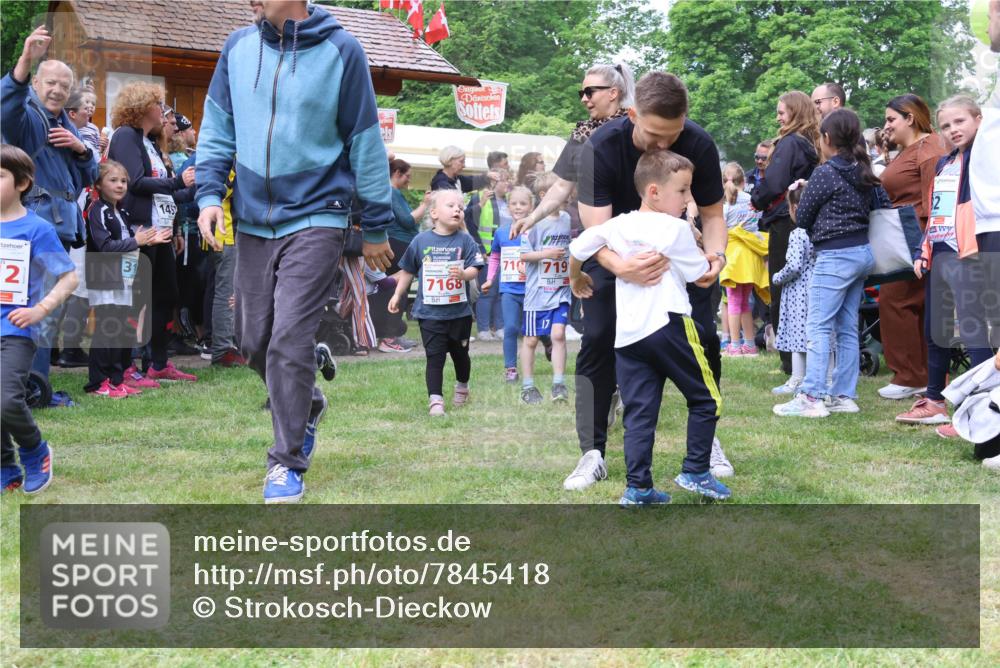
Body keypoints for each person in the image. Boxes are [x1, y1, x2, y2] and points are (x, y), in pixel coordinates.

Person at [196, 0, 394, 503]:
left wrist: (375, 225)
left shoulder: (342, 51)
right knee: (251, 337)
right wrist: (207, 196)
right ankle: (306, 400)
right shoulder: (237, 47)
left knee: (287, 337)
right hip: (254, 220)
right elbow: (218, 129)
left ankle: (286, 463)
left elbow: (365, 142)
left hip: (318, 215)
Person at [548, 71, 733, 491]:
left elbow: (713, 214)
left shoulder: (699, 144)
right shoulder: (599, 146)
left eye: (674, 133)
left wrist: (715, 258)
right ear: (632, 114)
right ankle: (592, 452)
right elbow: (595, 229)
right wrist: (621, 267)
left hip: (676, 256)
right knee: (597, 339)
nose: (664, 144)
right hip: (611, 252)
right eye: (654, 134)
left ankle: (704, 444)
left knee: (703, 336)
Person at [568, 149, 728, 504]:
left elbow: (578, 247)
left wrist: (576, 278)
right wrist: (714, 259)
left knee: (640, 413)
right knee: (706, 398)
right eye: (683, 191)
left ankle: (638, 487)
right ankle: (697, 470)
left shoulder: (617, 225)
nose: (689, 198)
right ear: (654, 192)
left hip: (629, 337)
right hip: (670, 326)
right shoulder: (675, 228)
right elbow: (700, 277)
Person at [1, 27, 99, 397]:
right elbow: (7, 111)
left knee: (46, 308)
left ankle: (30, 380)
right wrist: (24, 63)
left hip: (59, 226)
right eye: (50, 82)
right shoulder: (28, 117)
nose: (57, 90)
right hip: (36, 222)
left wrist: (81, 149)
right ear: (37, 83)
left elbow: (91, 176)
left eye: (63, 84)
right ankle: (33, 385)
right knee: (36, 307)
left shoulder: (65, 125)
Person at [896, 96, 994, 428]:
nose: (953, 130)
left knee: (972, 329)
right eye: (946, 125)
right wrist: (925, 249)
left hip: (970, 251)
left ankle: (979, 410)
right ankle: (935, 399)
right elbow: (937, 210)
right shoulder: (944, 163)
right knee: (936, 330)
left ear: (979, 120)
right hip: (941, 252)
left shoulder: (985, 158)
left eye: (960, 122)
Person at [774, 109, 877, 418]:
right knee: (847, 327)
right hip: (861, 253)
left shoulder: (826, 172)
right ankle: (844, 395)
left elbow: (803, 218)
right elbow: (877, 203)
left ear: (827, 139)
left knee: (817, 326)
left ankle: (812, 396)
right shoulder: (863, 170)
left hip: (833, 257)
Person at [1, 144, 78, 494]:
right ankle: (6, 468)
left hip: (16, 328)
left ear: (22, 183)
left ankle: (34, 450)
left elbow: (69, 277)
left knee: (6, 398)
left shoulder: (37, 229)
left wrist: (40, 310)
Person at [108, 83, 197, 384]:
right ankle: (128, 366)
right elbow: (135, 182)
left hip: (161, 230)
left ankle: (157, 362)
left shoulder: (151, 142)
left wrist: (188, 191)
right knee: (137, 298)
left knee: (165, 293)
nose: (164, 112)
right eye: (159, 104)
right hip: (139, 229)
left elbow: (163, 192)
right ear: (143, 106)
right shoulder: (125, 136)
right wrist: (178, 184)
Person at [877, 93, 948, 400]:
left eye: (891, 119)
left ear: (910, 118)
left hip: (917, 236)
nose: (886, 125)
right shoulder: (911, 149)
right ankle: (920, 374)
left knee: (896, 302)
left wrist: (928, 244)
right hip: (904, 235)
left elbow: (936, 200)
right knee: (908, 305)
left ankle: (910, 374)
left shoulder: (929, 149)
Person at [389, 190, 484, 416]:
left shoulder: (465, 240)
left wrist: (463, 274)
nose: (457, 210)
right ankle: (436, 400)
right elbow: (408, 271)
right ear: (434, 213)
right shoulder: (420, 241)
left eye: (460, 207)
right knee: (435, 356)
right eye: (451, 205)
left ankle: (462, 385)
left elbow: (475, 267)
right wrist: (397, 294)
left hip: (459, 313)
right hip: (429, 313)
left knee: (460, 355)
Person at [513, 63, 635, 234]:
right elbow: (562, 186)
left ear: (613, 93)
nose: (584, 99)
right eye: (582, 93)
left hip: (633, 233)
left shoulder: (635, 130)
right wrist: (532, 218)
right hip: (594, 237)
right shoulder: (580, 136)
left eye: (589, 92)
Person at [84, 160, 171, 397]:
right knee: (106, 329)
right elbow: (105, 246)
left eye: (123, 180)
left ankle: (116, 378)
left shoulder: (121, 211)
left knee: (121, 329)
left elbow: (130, 243)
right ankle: (98, 382)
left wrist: (147, 239)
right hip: (104, 278)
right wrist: (137, 241)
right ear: (99, 185)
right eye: (113, 180)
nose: (120, 185)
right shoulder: (97, 210)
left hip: (123, 277)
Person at [751, 90, 820, 377]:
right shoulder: (810, 142)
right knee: (802, 291)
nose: (778, 117)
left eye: (782, 112)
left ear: (795, 112)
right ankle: (800, 360)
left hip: (784, 221)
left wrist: (757, 197)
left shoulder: (791, 143)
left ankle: (790, 361)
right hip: (802, 220)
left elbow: (775, 181)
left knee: (782, 288)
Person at [519, 172, 571, 405]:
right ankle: (527, 387)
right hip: (536, 293)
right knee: (530, 340)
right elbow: (524, 254)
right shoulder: (533, 222)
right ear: (544, 195)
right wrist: (546, 254)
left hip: (561, 288)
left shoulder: (567, 219)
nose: (569, 195)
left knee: (558, 334)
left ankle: (558, 384)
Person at [482, 185, 533, 382]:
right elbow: (495, 257)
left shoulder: (535, 231)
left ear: (531, 206)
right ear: (508, 206)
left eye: (523, 203)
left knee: (535, 330)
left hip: (532, 290)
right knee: (510, 327)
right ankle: (510, 368)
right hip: (509, 289)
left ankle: (547, 343)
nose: (518, 207)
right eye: (514, 203)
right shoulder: (502, 233)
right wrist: (489, 279)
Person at [770, 179, 816, 395]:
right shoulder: (820, 231)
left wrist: (777, 276)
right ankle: (827, 376)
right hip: (817, 287)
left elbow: (794, 266)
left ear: (795, 208)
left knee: (798, 336)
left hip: (798, 291)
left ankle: (797, 378)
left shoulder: (798, 233)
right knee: (819, 335)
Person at [718, 162, 767, 357]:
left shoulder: (725, 205)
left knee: (733, 301)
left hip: (733, 256)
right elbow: (758, 222)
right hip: (751, 255)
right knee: (745, 300)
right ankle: (750, 344)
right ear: (744, 181)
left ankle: (735, 345)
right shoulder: (751, 201)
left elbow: (720, 231)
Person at [466, 168, 512, 341]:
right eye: (504, 180)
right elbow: (469, 222)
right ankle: (484, 328)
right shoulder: (479, 197)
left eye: (508, 180)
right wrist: (480, 250)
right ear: (493, 182)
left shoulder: (509, 201)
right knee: (488, 291)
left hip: (506, 255)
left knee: (501, 291)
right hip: (486, 254)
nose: (507, 183)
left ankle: (500, 327)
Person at [430, 146, 498, 193]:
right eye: (461, 161)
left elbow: (473, 181)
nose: (464, 166)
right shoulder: (441, 184)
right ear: (449, 161)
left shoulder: (457, 179)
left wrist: (487, 175)